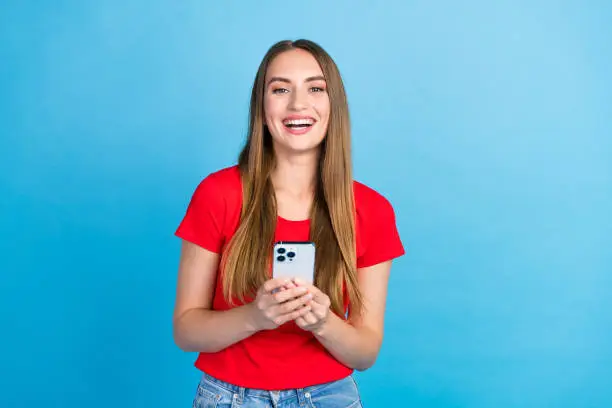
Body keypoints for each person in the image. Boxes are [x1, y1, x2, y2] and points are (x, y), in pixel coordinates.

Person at [173, 39, 405, 408]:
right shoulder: (218, 194)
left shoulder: (371, 210)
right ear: (262, 107)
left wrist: (322, 322)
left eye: (315, 88)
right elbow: (186, 331)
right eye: (280, 89)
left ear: (334, 106)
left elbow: (364, 354)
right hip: (229, 397)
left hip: (330, 397)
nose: (298, 104)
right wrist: (255, 316)